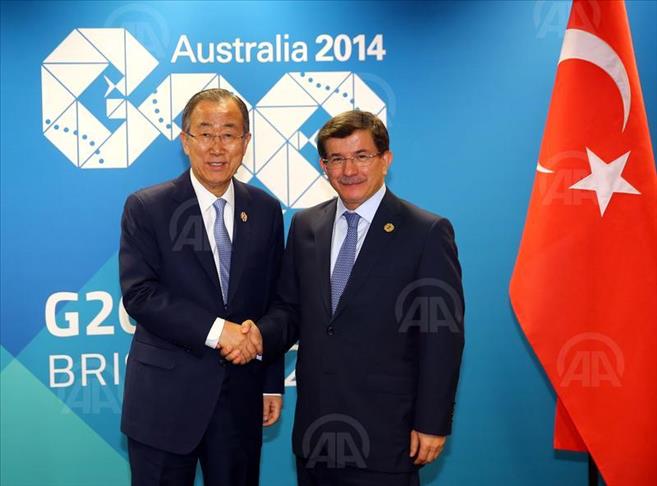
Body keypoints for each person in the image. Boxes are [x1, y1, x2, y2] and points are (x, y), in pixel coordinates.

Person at [232, 110, 465, 485]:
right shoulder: (306, 225)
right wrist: (257, 336)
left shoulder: (425, 232)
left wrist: (432, 421)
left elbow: (441, 338)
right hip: (317, 434)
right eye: (337, 159)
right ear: (323, 166)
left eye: (361, 156)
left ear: (386, 160)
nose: (349, 170)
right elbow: (289, 310)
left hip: (388, 436)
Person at [119, 88, 284, 486]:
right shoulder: (148, 206)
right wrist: (217, 330)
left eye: (228, 134)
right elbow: (140, 294)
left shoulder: (265, 209)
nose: (216, 147)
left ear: (246, 141)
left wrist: (270, 384)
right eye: (205, 133)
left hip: (240, 399)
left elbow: (274, 300)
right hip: (164, 401)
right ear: (185, 140)